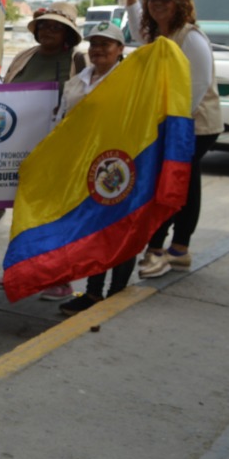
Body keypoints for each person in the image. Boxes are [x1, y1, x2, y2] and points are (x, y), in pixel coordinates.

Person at [122, 0, 222, 279]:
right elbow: (139, 34)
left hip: (194, 124)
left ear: (181, 4)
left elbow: (198, 84)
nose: (159, 4)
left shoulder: (190, 37)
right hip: (174, 123)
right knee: (186, 185)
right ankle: (179, 250)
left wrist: (174, 129)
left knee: (170, 183)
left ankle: (159, 250)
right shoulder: (157, 34)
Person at [1, 0, 85, 301]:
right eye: (45, 25)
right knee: (24, 211)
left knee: (55, 215)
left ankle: (59, 278)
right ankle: (20, 269)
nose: (49, 30)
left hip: (59, 151)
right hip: (21, 149)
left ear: (68, 33)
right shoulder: (24, 57)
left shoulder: (79, 61)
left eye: (56, 26)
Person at [56, 22, 134, 315]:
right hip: (83, 166)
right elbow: (62, 121)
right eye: (95, 44)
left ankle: (117, 292)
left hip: (120, 165)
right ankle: (92, 293)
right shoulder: (78, 81)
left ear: (120, 49)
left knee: (120, 228)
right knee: (93, 230)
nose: (99, 50)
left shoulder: (130, 80)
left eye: (106, 44)